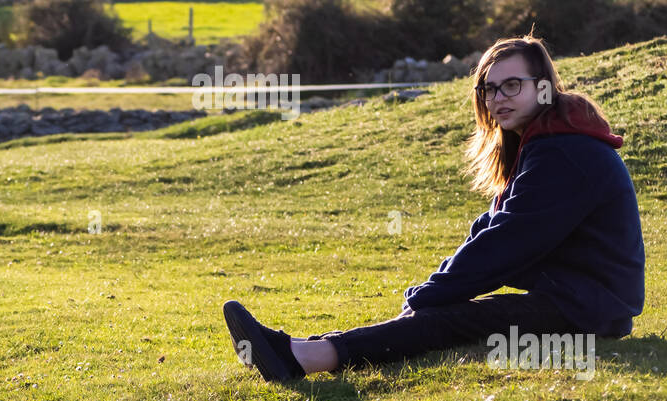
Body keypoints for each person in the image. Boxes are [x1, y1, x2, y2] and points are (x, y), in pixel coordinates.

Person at [223, 34, 645, 382]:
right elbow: (492, 227)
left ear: (543, 86)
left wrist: (432, 296)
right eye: (489, 88)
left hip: (591, 314)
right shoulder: (545, 142)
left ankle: (305, 358)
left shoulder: (563, 152)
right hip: (576, 300)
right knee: (452, 314)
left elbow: (506, 242)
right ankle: (304, 348)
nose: (498, 98)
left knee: (456, 322)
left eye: (511, 85)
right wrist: (435, 287)